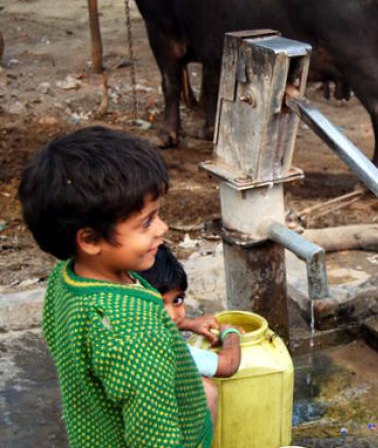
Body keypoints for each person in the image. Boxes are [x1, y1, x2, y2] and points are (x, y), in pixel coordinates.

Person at [18, 126, 213, 447]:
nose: (162, 228)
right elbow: (155, 439)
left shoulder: (66, 279)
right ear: (91, 239)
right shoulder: (130, 328)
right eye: (146, 221)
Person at [139, 243, 242, 423]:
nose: (172, 315)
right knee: (206, 390)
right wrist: (231, 334)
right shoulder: (166, 347)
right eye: (158, 303)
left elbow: (158, 321)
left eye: (177, 300)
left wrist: (188, 324)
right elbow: (228, 365)